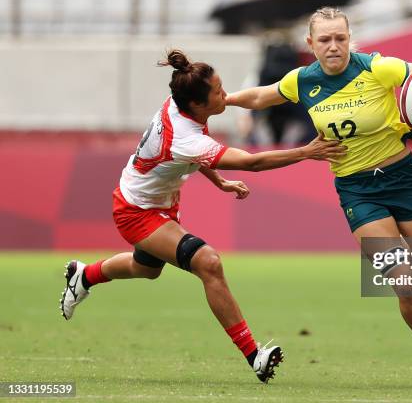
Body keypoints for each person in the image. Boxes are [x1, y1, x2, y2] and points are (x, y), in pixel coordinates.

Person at [59, 49, 345, 384]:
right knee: (208, 262)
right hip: (136, 212)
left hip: (156, 200)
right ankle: (255, 355)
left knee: (146, 269)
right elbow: (248, 162)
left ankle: (85, 275)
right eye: (218, 92)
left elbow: (192, 150)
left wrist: (219, 180)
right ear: (197, 103)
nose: (225, 95)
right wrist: (306, 152)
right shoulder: (183, 134)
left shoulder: (180, 103)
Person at [225, 7, 412, 388]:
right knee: (403, 283)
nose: (333, 46)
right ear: (311, 44)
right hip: (356, 190)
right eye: (324, 40)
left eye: (340, 38)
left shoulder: (377, 68)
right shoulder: (302, 80)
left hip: (404, 180)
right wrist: (222, 99)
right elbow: (259, 97)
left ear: (350, 39)